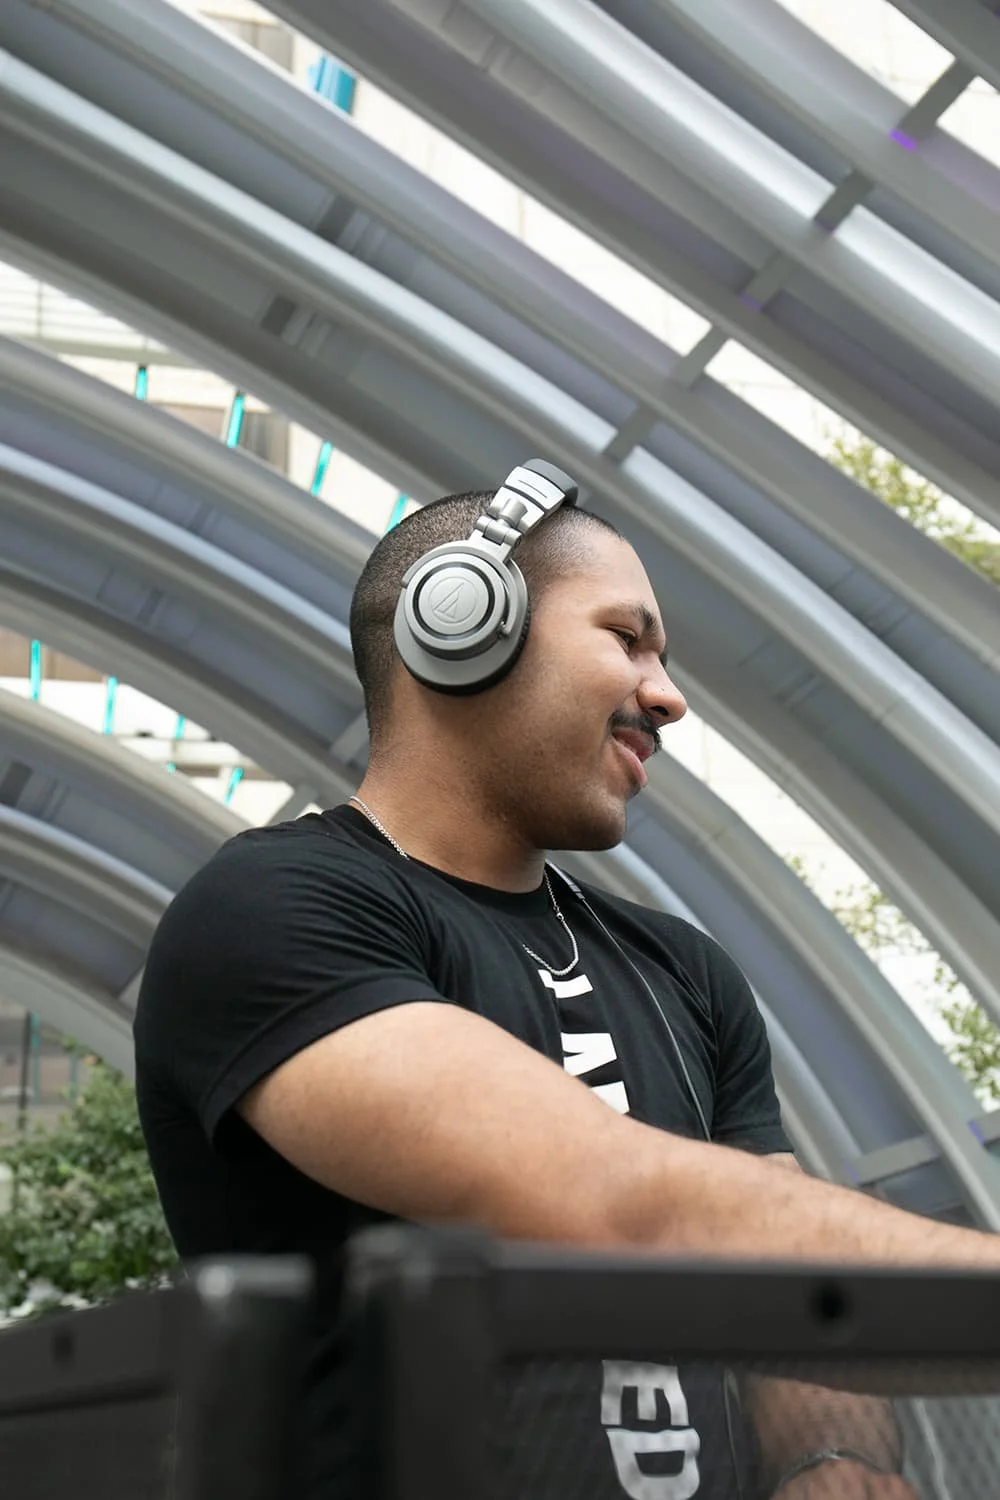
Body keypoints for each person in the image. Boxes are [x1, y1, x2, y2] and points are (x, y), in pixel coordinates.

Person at [135, 461, 993, 1500]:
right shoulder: (274, 910)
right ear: (461, 627)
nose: (668, 697)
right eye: (627, 639)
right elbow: (616, 1207)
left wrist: (832, 1458)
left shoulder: (684, 971)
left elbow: (783, 1279)